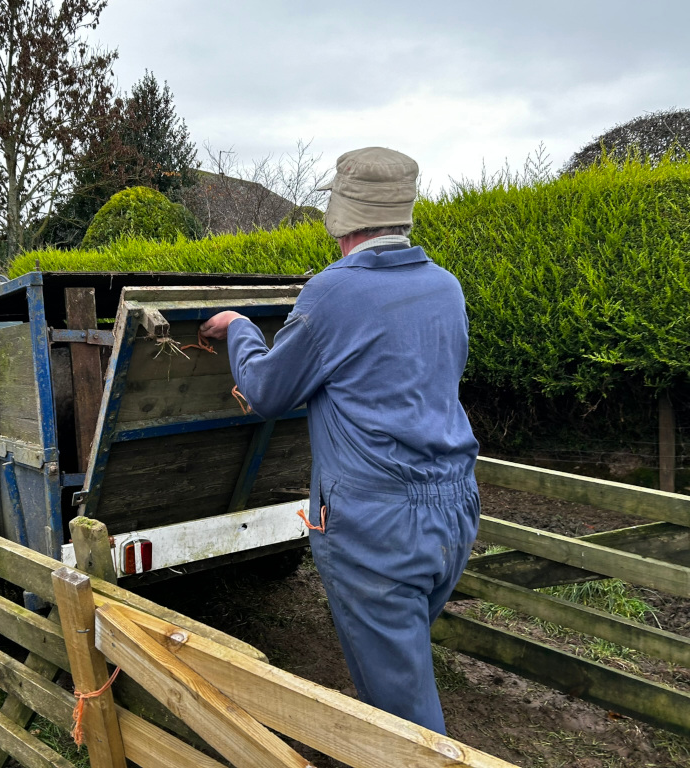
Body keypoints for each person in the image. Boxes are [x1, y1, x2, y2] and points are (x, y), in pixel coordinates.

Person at [199, 146, 480, 734]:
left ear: (342, 217)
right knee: (403, 661)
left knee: (404, 720)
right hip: (454, 512)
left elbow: (267, 391)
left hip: (377, 527)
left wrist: (240, 327)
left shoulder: (333, 293)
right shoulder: (445, 288)